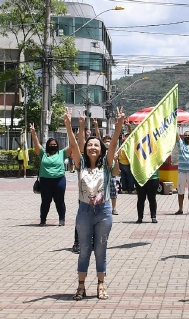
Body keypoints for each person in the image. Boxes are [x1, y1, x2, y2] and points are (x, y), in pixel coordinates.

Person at [64, 106, 124, 301]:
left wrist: (119, 125)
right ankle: (81, 286)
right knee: (83, 251)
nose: (93, 147)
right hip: (84, 212)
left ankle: (101, 284)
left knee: (100, 250)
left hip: (104, 212)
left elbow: (113, 143)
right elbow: (74, 144)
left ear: (101, 150)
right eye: (90, 145)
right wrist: (70, 124)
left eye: (96, 145)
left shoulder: (107, 165)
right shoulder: (80, 164)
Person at [30, 125, 71, 226]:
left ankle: (62, 219)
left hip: (59, 180)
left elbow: (73, 146)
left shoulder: (62, 153)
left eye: (55, 144)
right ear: (48, 146)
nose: (53, 146)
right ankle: (43, 220)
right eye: (51, 145)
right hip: (45, 181)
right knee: (45, 201)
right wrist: (33, 133)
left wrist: (77, 136)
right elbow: (36, 144)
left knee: (59, 201)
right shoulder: (43, 153)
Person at [92, 119, 119, 215]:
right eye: (106, 140)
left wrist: (118, 125)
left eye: (109, 140)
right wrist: (95, 126)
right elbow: (98, 137)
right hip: (102, 174)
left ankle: (114, 208)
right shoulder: (102, 150)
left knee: (113, 191)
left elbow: (115, 139)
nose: (107, 142)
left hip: (111, 174)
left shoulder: (113, 149)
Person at [118, 122, 135, 194]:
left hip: (121, 164)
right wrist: (129, 127)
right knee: (130, 176)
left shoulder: (121, 147)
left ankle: (124, 189)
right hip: (127, 163)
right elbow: (132, 136)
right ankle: (132, 189)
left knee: (123, 176)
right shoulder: (128, 147)